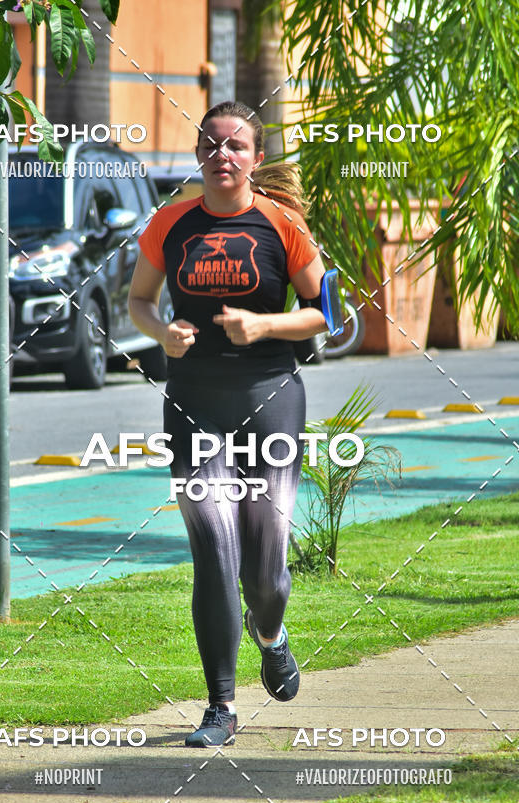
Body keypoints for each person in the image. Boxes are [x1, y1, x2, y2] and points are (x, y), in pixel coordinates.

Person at [128, 100, 326, 747]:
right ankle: (220, 707)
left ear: (255, 158)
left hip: (270, 394)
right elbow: (138, 300)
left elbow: (321, 313)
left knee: (265, 572)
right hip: (192, 399)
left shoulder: (281, 224)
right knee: (213, 548)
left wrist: (263, 324)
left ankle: (270, 631)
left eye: (236, 146)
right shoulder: (170, 224)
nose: (223, 156)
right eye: (211, 145)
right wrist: (164, 331)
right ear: (197, 155)